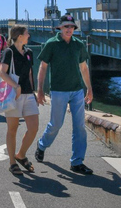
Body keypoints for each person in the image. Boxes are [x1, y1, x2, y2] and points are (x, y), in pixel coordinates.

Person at [34, 14, 94, 175]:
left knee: (80, 126)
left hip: (77, 90)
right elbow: (43, 67)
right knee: (56, 124)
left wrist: (89, 88)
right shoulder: (51, 44)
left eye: (71, 26)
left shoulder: (79, 44)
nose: (69, 29)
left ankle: (77, 162)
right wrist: (40, 89)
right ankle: (41, 145)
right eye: (66, 26)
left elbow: (84, 68)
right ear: (60, 28)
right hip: (58, 90)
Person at [0, 25, 39, 176]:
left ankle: (20, 155)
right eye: (26, 33)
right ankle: (12, 162)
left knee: (33, 127)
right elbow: (2, 72)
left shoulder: (29, 52)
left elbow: (30, 73)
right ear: (20, 36)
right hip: (13, 93)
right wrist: (16, 86)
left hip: (28, 93)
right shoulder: (8, 52)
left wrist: (34, 91)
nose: (29, 35)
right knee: (12, 128)